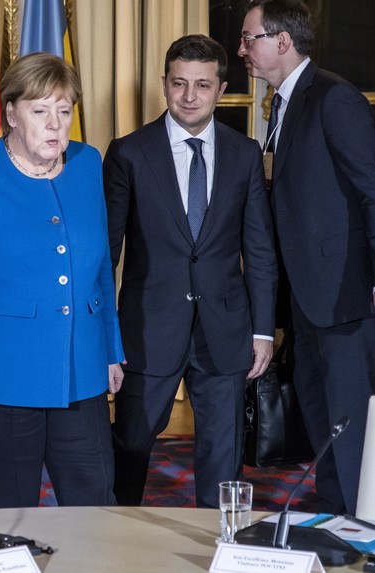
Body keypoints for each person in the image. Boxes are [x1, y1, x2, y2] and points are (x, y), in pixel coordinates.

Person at [0, 52, 125, 510]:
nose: (55, 124)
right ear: (11, 113)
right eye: (40, 111)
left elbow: (98, 270)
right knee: (4, 516)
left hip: (82, 372)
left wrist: (111, 349)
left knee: (94, 506)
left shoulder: (89, 163)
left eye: (64, 110)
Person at [104, 34, 277, 509]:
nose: (189, 96)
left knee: (223, 456)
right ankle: (114, 536)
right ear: (164, 84)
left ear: (221, 89)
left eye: (202, 85)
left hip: (226, 330)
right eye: (179, 83)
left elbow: (259, 250)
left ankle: (222, 546)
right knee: (131, 445)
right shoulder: (129, 153)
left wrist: (263, 331)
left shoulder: (245, 154)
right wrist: (105, 337)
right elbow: (107, 253)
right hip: (147, 327)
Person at [239, 0, 375, 514]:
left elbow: (373, 191)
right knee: (321, 418)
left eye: (249, 37)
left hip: (347, 294)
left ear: (281, 41)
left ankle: (363, 525)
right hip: (309, 298)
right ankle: (337, 518)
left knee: (350, 422)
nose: (242, 49)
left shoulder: (333, 98)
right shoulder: (283, 102)